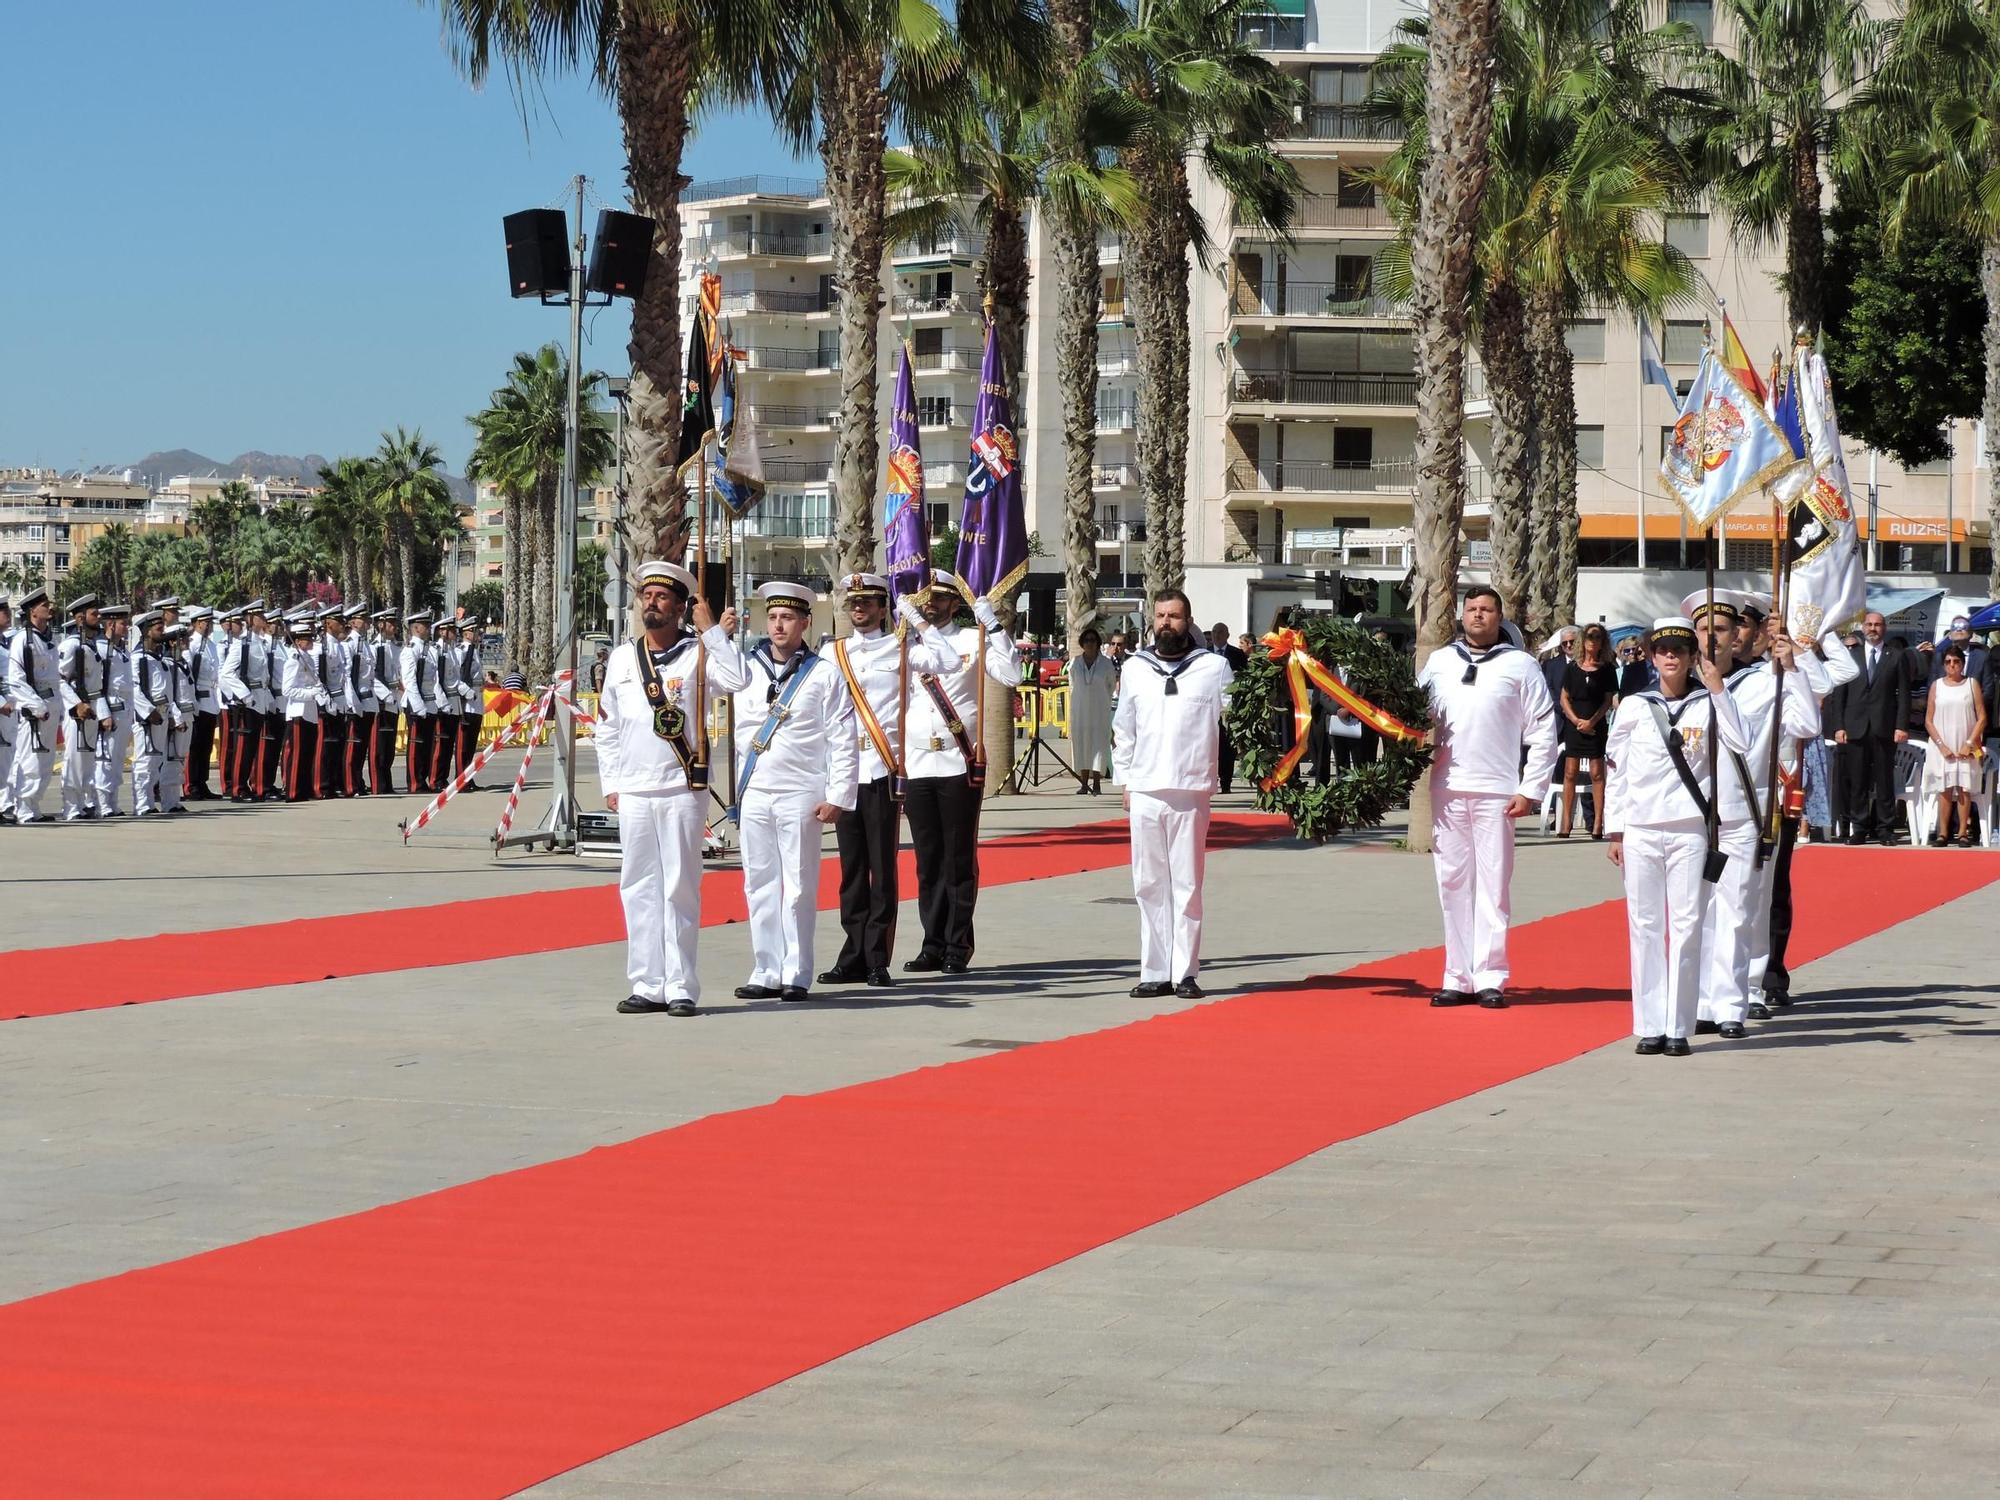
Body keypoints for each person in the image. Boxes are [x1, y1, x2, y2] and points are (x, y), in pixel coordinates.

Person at [596, 560, 746, 1017]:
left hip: (683, 784)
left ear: (681, 607)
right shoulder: (623, 658)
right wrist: (611, 783)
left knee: (680, 886)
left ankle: (681, 985)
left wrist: (712, 633)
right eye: (648, 596)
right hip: (636, 787)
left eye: (663, 598)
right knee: (637, 886)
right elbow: (608, 726)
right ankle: (646, 983)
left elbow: (739, 680)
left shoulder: (699, 652)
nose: (652, 603)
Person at [1605, 618, 1746, 1056]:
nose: (1670, 656)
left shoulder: (1708, 704)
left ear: (1691, 657)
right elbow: (1618, 770)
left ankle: (1679, 1026)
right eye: (1663, 649)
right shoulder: (1633, 705)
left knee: (1687, 928)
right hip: (1642, 828)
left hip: (1689, 828)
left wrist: (1718, 687)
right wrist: (1614, 829)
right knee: (1644, 927)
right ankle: (1649, 1024)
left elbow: (1741, 742)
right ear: (1651, 655)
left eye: (1679, 650)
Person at [1416, 585, 1558, 1009]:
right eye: (1472, 608)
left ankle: (1490, 975)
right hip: (1448, 787)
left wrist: (1530, 789)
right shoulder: (1439, 663)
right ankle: (1456, 975)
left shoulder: (1521, 665)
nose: (1479, 615)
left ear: (1500, 617)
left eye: (1487, 609)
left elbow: (1543, 732)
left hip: (1497, 790)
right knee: (1452, 882)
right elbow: (1414, 713)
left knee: (1493, 885)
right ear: (1462, 615)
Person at [818, 572, 956, 988]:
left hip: (882, 768)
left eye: (867, 603)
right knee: (851, 870)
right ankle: (852, 955)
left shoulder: (902, 647)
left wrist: (917, 621)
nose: (858, 609)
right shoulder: (833, 653)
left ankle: (877, 957)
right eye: (853, 603)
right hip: (843, 771)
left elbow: (948, 660)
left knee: (882, 868)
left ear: (882, 608)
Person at [1689, 592, 1816, 1038]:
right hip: (1691, 817)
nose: (1713, 638)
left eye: (1722, 630)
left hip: (1745, 812)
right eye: (1705, 630)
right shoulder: (1678, 681)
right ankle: (1700, 1000)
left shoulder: (1765, 681)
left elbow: (1806, 726)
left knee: (1739, 910)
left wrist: (1793, 665)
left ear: (1739, 636)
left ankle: (1729, 1004)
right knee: (1696, 914)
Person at [728, 582, 857, 1003]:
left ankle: (796, 972)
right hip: (756, 789)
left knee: (799, 884)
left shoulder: (823, 673)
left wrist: (838, 794)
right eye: (773, 617)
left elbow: (842, 736)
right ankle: (765, 967)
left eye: (788, 618)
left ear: (805, 623)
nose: (779, 625)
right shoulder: (745, 670)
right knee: (758, 883)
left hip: (801, 789)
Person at [1115, 589, 1234, 999]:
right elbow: (1124, 728)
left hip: (1191, 787)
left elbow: (1236, 718)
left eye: (1175, 616)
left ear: (1189, 620)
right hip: (1146, 788)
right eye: (1161, 615)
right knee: (1148, 883)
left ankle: (1185, 971)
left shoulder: (1214, 668)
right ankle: (1153, 971)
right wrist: (1126, 781)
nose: (1167, 622)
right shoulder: (1135, 668)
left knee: (1187, 884)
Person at [902, 571, 1018, 975]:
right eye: (925, 598)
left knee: (957, 857)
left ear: (956, 603)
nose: (929, 604)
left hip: (959, 759)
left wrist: (994, 624)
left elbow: (1011, 675)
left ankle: (957, 945)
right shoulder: (906, 642)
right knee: (927, 860)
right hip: (917, 763)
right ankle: (931, 943)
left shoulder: (973, 640)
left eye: (939, 598)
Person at [1823, 611, 1910, 844]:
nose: (1873, 628)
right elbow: (1838, 695)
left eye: (1878, 625)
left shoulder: (1897, 656)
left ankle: (1885, 829)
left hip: (1884, 726)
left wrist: (1901, 725)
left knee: (1884, 780)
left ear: (1885, 628)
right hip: (1855, 726)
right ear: (1863, 627)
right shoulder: (1850, 656)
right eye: (1869, 624)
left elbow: (1904, 695)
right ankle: (1859, 828)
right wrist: (1838, 726)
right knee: (1857, 780)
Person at [1557, 622, 1619, 838]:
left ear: (1603, 642)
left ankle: (1598, 824)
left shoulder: (1607, 669)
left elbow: (1608, 700)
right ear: (1583, 640)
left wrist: (1591, 721)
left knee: (1597, 773)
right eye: (1590, 636)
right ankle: (1566, 822)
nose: (1593, 641)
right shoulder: (1572, 668)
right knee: (1570, 772)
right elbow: (1564, 697)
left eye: (1598, 637)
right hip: (1574, 724)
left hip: (1596, 724)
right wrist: (1575, 720)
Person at [1923, 644, 1988, 847]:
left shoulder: (1971, 684)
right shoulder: (1936, 685)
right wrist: (1941, 745)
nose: (1952, 665)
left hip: (1965, 743)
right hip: (1942, 744)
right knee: (1945, 788)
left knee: (1964, 787)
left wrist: (1969, 743)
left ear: (1962, 663)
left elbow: (1982, 717)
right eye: (1948, 662)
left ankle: (1962, 833)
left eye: (1956, 661)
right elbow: (1929, 720)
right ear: (1943, 665)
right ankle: (1943, 833)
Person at [7, 588, 60, 824]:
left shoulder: (49, 639)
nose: (48, 608)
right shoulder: (22, 639)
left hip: (50, 703)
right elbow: (16, 679)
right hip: (34, 708)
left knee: (46, 759)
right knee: (30, 760)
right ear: (32, 612)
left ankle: (34, 806)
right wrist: (35, 704)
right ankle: (24, 808)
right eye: (43, 605)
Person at [57, 594, 107, 821]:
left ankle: (85, 803)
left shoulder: (89, 645)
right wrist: (77, 703)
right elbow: (60, 679)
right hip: (78, 707)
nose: (98, 618)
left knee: (87, 759)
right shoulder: (71, 646)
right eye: (93, 614)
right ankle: (71, 807)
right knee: (74, 758)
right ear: (80, 619)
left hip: (92, 705)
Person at [130, 611, 175, 816]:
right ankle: (142, 804)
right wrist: (148, 712)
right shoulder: (138, 658)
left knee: (156, 761)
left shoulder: (158, 659)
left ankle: (149, 803)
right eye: (158, 628)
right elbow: (135, 689)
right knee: (144, 761)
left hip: (162, 713)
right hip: (148, 717)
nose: (162, 631)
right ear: (147, 632)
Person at [281, 616, 329, 802]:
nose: (310, 641)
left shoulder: (306, 657)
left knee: (307, 753)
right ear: (298, 640)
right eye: (306, 638)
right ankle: (293, 791)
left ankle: (304, 789)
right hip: (298, 711)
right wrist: (311, 693)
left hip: (309, 712)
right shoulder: (293, 660)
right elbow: (288, 689)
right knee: (297, 754)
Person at [1066, 627, 1115, 795]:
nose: (1090, 644)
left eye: (1093, 640)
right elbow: (1072, 685)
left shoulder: (1106, 663)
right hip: (1080, 711)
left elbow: (1110, 686)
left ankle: (1097, 784)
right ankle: (1083, 783)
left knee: (1098, 745)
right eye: (1086, 640)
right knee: (1081, 745)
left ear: (1098, 643)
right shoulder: (1075, 662)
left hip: (1099, 710)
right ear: (1082, 643)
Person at [94, 605, 133, 818]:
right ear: (110, 624)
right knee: (105, 759)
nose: (126, 627)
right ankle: (103, 804)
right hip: (110, 707)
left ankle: (113, 801)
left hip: (124, 709)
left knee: (117, 760)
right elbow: (98, 685)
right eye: (123, 623)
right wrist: (103, 713)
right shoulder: (101, 648)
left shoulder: (122, 650)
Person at [182, 606, 223, 800]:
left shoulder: (211, 645)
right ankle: (190, 784)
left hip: (210, 698)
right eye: (207, 622)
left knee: (206, 745)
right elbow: (189, 674)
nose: (210, 625)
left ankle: (202, 781)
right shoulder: (191, 644)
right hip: (197, 696)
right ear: (198, 623)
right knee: (194, 745)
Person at [1208, 624, 1250, 793]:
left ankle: (1226, 782)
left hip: (1229, 707)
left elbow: (1244, 678)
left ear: (1227, 634)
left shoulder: (1237, 654)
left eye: (1220, 632)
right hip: (1209, 706)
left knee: (1227, 747)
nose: (1217, 635)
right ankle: (1210, 780)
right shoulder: (1204, 653)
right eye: (1214, 632)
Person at [400, 612, 439, 794]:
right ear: (416, 628)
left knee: (427, 745)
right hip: (416, 703)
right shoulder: (410, 650)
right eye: (425, 625)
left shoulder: (429, 650)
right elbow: (409, 681)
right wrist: (419, 706)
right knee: (417, 744)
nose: (428, 628)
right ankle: (415, 782)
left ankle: (422, 779)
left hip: (429, 702)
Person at [366, 609, 402, 794]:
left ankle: (387, 783)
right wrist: (386, 694)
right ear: (380, 625)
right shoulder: (373, 648)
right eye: (390, 623)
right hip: (381, 701)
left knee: (389, 748)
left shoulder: (395, 648)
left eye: (395, 623)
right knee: (378, 748)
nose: (393, 627)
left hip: (394, 700)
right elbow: (373, 676)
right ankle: (377, 784)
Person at [0, 597, 14, 824]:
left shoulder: (5, 643)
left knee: (6, 760)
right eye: (3, 611)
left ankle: (3, 805)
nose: (8, 615)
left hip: (9, 710)